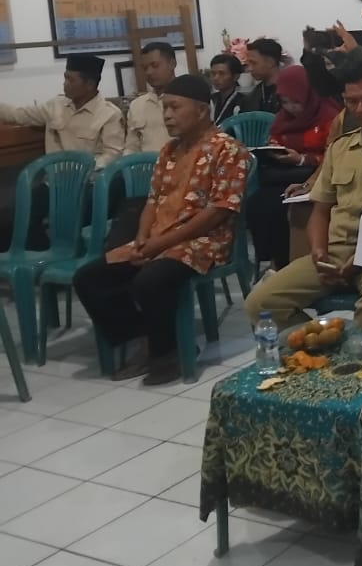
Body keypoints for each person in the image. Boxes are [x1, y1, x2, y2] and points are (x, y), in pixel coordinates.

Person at [73, 74, 249, 385]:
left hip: (203, 242)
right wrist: (143, 238)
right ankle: (145, 338)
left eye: (174, 107)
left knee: (149, 281)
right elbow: (153, 200)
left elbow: (218, 212)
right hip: (158, 239)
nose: (166, 115)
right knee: (89, 278)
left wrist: (161, 243)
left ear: (201, 111)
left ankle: (167, 354)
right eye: (165, 108)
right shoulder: (169, 151)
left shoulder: (228, 149)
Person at [243, 60, 362, 331]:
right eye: (351, 101)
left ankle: (360, 350)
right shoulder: (340, 148)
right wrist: (318, 252)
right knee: (260, 303)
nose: (360, 109)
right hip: (334, 254)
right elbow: (320, 211)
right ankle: (327, 344)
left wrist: (361, 259)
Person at [0, 54, 125, 251]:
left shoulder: (109, 114)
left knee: (73, 220)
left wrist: (82, 172)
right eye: (65, 78)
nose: (65, 84)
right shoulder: (55, 106)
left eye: (70, 79)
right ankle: (44, 254)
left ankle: (70, 254)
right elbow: (19, 115)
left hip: (88, 185)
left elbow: (112, 154)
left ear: (89, 84)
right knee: (14, 214)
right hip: (53, 183)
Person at [247, 66, 342, 270]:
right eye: (285, 102)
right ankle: (272, 261)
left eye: (296, 102)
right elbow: (276, 136)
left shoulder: (329, 116)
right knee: (257, 203)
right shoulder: (283, 118)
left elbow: (334, 156)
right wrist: (274, 150)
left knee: (281, 209)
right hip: (282, 175)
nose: (290, 108)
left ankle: (286, 263)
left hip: (314, 177)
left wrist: (302, 159)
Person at [125, 41, 177, 154]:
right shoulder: (137, 105)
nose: (149, 72)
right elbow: (131, 147)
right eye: (145, 68)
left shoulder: (188, 101)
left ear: (172, 64)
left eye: (155, 66)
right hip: (145, 164)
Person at [243, 38, 284, 114]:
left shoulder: (288, 91)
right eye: (248, 64)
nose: (249, 69)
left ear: (270, 62)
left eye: (253, 63)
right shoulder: (254, 94)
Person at [209, 53, 245, 125]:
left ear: (236, 76)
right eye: (213, 73)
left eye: (222, 73)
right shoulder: (210, 99)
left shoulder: (244, 102)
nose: (216, 78)